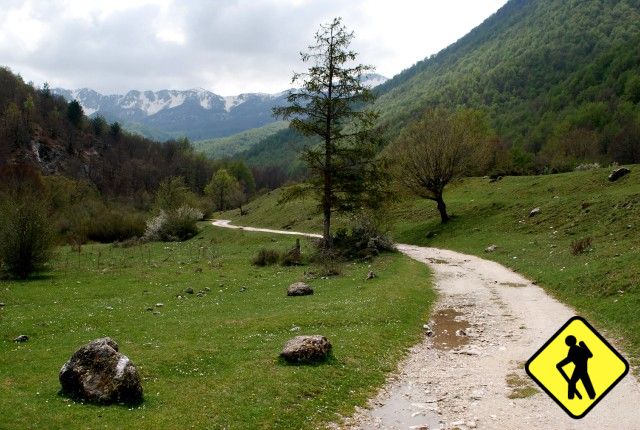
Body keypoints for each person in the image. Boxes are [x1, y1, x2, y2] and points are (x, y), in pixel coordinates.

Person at [556, 335, 596, 400]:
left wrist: (559, 364)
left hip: (579, 368)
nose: (566, 342)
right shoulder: (579, 348)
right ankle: (592, 396)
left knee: (572, 383)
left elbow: (569, 359)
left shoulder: (573, 349)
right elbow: (589, 355)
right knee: (586, 381)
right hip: (583, 367)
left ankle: (571, 398)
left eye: (567, 341)